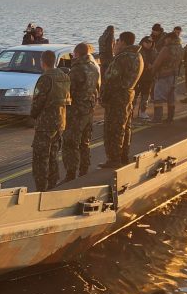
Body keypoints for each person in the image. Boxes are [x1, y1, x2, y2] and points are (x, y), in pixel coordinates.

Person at [100, 31, 144, 168]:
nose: (116, 43)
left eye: (118, 41)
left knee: (114, 128)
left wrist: (104, 96)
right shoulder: (138, 56)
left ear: (123, 42)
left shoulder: (122, 58)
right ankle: (123, 155)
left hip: (117, 97)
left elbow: (111, 79)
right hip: (128, 94)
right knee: (125, 126)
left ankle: (114, 158)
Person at [29, 50, 71, 192]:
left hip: (45, 123)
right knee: (53, 155)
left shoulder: (45, 78)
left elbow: (38, 102)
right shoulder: (64, 76)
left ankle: (41, 189)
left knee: (41, 157)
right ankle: (53, 184)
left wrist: (33, 115)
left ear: (43, 62)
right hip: (60, 122)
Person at [62, 42, 101, 181]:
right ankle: (84, 169)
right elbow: (97, 88)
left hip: (76, 112)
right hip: (89, 109)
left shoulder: (77, 69)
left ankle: (71, 173)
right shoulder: (94, 67)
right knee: (85, 141)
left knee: (70, 142)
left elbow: (68, 91)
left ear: (77, 54)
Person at [150, 26, 184, 122]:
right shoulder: (180, 48)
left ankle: (157, 118)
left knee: (158, 97)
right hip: (174, 75)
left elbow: (157, 62)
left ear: (170, 39)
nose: (165, 41)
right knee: (171, 97)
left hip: (163, 75)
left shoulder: (166, 49)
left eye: (166, 39)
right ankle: (170, 117)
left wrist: (152, 72)